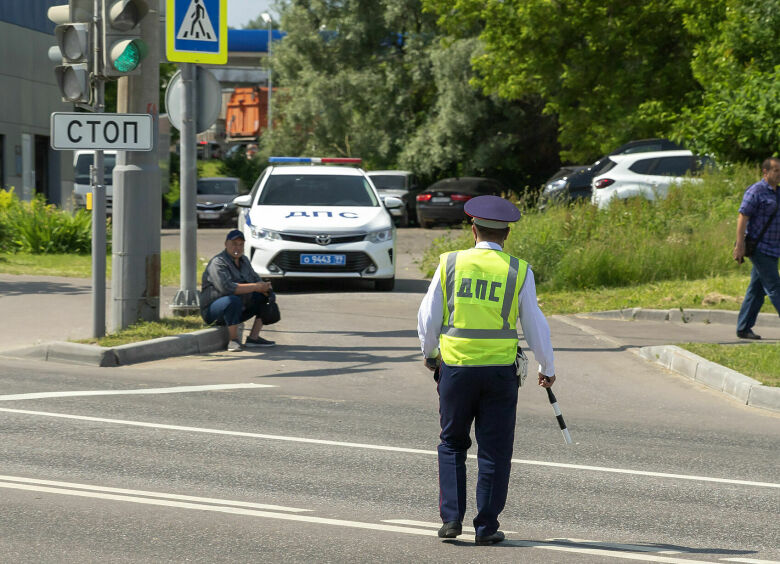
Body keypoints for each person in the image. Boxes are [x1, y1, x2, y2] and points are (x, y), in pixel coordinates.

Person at [417, 195, 556, 546]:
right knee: (494, 450)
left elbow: (427, 316)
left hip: (457, 369)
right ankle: (486, 527)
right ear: (506, 234)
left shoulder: (449, 263)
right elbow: (535, 324)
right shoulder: (519, 270)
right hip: (498, 374)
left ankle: (451, 521)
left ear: (473, 229)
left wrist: (431, 353)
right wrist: (547, 366)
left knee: (452, 444)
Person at [201, 229, 279, 351]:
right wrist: (256, 287)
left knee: (265, 296)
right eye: (233, 244)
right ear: (226, 244)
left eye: (240, 244)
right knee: (233, 300)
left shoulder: (244, 260)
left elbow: (256, 279)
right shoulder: (218, 263)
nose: (237, 247)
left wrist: (265, 287)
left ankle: (253, 338)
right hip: (214, 311)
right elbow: (227, 288)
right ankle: (233, 340)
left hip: (238, 308)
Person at [733, 157, 780, 339]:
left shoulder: (778, 193)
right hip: (760, 248)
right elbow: (742, 217)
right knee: (775, 287)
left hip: (774, 248)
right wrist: (739, 245)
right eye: (775, 170)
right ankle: (744, 326)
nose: (778, 174)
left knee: (757, 289)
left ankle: (743, 327)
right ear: (765, 172)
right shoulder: (756, 191)